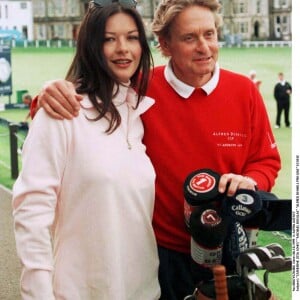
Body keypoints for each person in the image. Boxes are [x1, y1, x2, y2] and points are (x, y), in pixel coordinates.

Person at [31, 0, 281, 299]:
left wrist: (251, 181)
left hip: (228, 248)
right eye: (190, 38)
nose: (204, 47)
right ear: (165, 44)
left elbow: (266, 160)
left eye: (210, 34)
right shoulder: (139, 87)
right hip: (161, 255)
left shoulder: (245, 91)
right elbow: (83, 97)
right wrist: (48, 92)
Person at [12, 1, 161, 299]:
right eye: (109, 39)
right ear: (91, 45)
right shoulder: (62, 113)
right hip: (81, 292)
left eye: (132, 37)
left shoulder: (137, 112)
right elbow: (31, 212)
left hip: (143, 291)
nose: (123, 49)